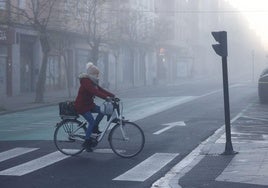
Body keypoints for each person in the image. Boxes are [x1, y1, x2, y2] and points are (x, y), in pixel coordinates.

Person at [74, 62, 115, 151]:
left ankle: (95, 128)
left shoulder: (92, 81)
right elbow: (94, 92)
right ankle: (87, 142)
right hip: (82, 106)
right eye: (97, 74)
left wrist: (112, 95)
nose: (98, 76)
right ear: (92, 74)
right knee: (91, 121)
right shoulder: (86, 81)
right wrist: (106, 98)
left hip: (89, 104)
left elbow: (100, 89)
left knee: (102, 111)